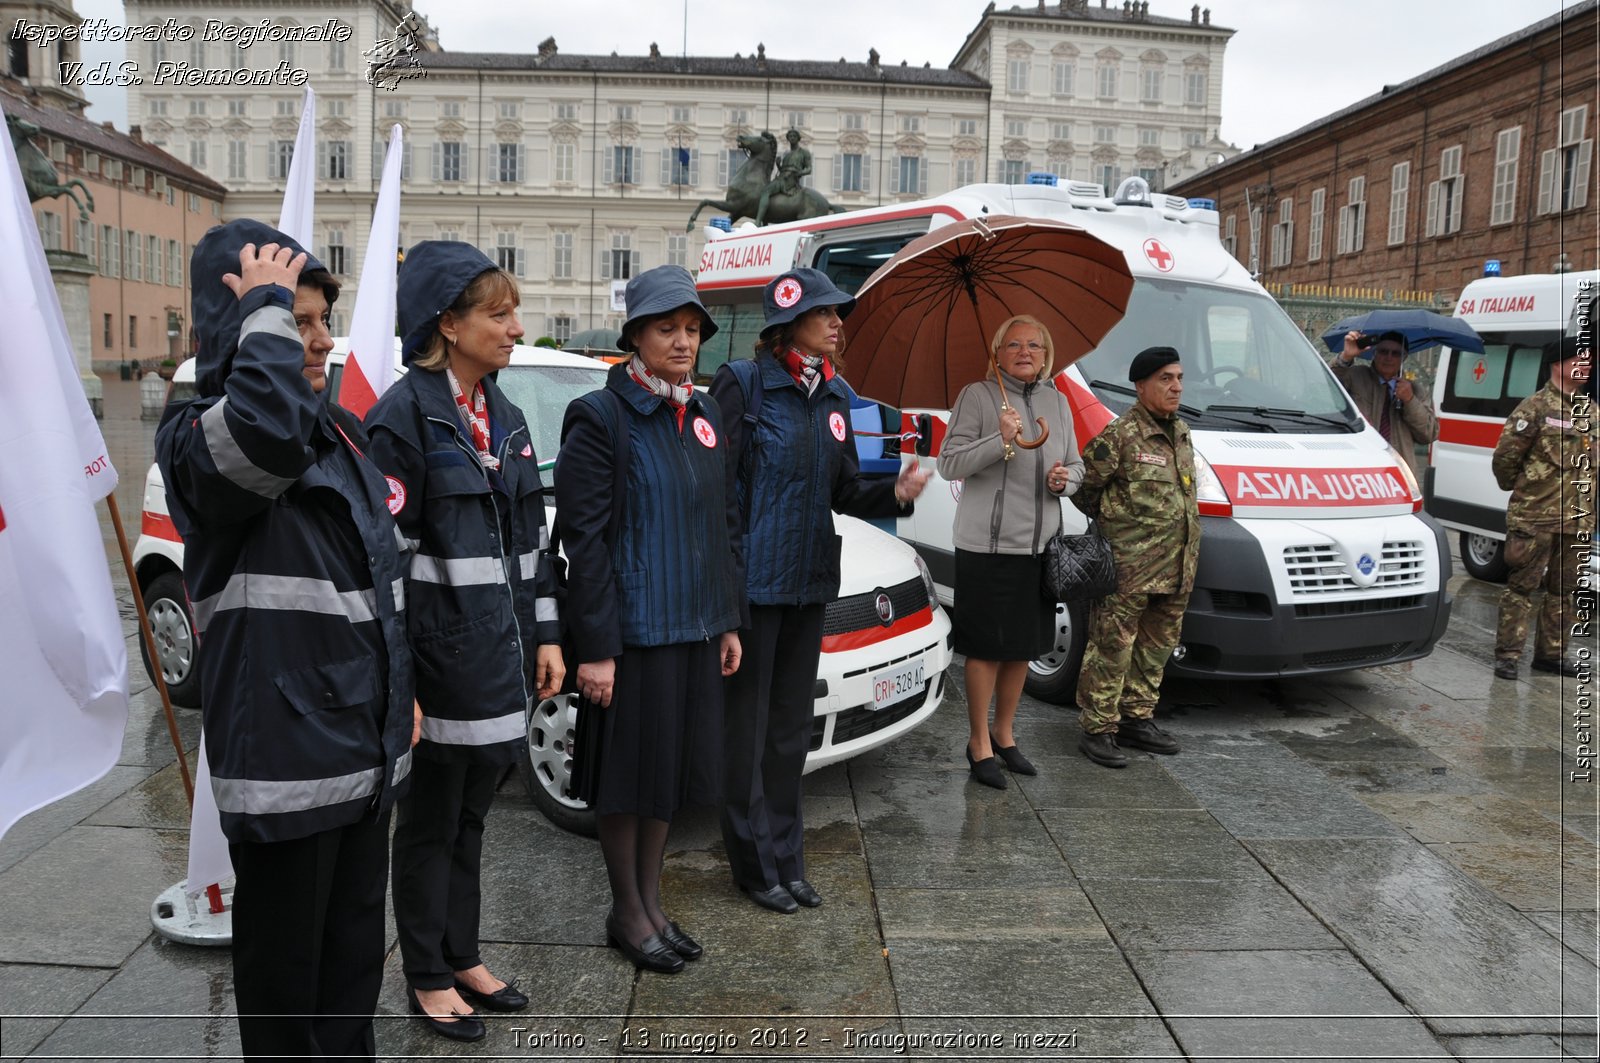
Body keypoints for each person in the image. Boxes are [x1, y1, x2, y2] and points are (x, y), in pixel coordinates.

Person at [155, 220, 416, 1060]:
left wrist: (397, 706)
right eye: (291, 320)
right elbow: (260, 432)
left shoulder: (336, 430)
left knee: (347, 994)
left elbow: (378, 587)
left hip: (358, 757)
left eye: (314, 321)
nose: (317, 340)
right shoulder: (197, 432)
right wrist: (259, 307)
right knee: (286, 1011)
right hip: (285, 770)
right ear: (237, 327)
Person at [364, 242, 565, 1041]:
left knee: (473, 816)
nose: (517, 327)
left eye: (514, 311)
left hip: (501, 660)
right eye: (499, 313)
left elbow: (534, 545)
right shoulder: (400, 418)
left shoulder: (507, 416)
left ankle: (463, 953)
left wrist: (546, 637)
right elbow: (387, 567)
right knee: (427, 823)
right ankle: (424, 972)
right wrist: (402, 681)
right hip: (439, 666)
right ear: (448, 324)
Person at [710, 267, 930, 911]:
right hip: (753, 590)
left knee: (789, 730)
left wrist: (894, 491)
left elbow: (841, 491)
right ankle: (754, 867)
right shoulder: (745, 387)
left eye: (840, 314)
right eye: (826, 313)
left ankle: (787, 857)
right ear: (789, 322)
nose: (839, 323)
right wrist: (725, 589)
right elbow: (719, 495)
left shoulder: (835, 401)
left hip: (809, 584)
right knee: (747, 734)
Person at [554, 265, 743, 973]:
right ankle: (625, 910)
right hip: (632, 635)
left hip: (693, 626)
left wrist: (727, 619)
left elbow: (721, 523)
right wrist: (597, 647)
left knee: (667, 776)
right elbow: (586, 540)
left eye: (693, 329)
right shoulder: (600, 417)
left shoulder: (703, 413)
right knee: (629, 777)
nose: (683, 340)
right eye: (667, 327)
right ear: (635, 335)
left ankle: (652, 901)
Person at [939, 315, 1083, 789]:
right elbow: (949, 463)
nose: (1026, 352)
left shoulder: (1057, 402)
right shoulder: (976, 396)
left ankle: (1005, 734)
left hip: (1039, 546)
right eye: (1015, 345)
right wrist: (997, 437)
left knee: (1021, 647)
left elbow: (1077, 464)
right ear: (998, 352)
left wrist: (1067, 480)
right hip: (987, 545)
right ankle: (978, 740)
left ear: (1047, 354)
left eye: (1035, 346)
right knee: (984, 648)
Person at [1073, 346, 1199, 769]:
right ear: (1141, 385)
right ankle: (1099, 728)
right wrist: (1120, 529)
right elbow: (1085, 490)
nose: (1176, 386)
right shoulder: (1120, 435)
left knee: (1156, 648)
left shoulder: (1181, 432)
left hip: (1177, 566)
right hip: (1128, 569)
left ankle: (1136, 718)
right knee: (1112, 647)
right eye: (1165, 378)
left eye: (1179, 377)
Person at [1491, 334, 1596, 679]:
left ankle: (1551, 655)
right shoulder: (1533, 408)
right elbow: (1506, 460)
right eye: (1581, 358)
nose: (1588, 364)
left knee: (1563, 592)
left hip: (1577, 521)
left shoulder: (1593, 411)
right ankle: (1508, 656)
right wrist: (1525, 492)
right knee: (1521, 588)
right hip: (1534, 517)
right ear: (1558, 364)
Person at [1331, 329, 1438, 478]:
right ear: (1374, 353)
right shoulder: (1355, 376)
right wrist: (1345, 357)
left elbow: (1428, 434)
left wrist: (1410, 400)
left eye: (1395, 353)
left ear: (1404, 358)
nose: (1388, 358)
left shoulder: (1416, 391)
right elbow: (1326, 386)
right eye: (1383, 351)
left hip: (1399, 471)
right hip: (1358, 467)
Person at [755, 129, 812, 225]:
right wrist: (778, 165)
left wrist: (799, 173)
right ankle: (764, 222)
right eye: (790, 136)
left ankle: (757, 222)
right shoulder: (787, 154)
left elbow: (809, 169)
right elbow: (783, 170)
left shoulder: (804, 153)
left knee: (766, 191)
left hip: (791, 180)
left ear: (798, 138)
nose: (792, 138)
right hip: (782, 177)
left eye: (794, 136)